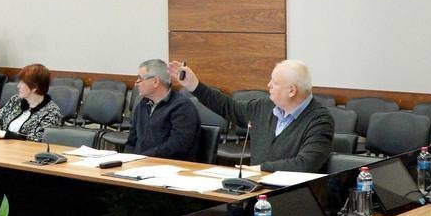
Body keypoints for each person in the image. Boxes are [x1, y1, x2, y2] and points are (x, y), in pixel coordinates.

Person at [171, 59, 333, 172]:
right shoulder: (264, 107)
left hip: (292, 199)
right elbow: (228, 107)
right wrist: (195, 85)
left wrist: (260, 169)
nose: (269, 85)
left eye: (275, 82)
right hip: (255, 193)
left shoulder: (320, 121)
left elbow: (306, 163)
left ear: (291, 90)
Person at [125, 59, 200, 160]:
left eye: (140, 79)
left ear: (155, 82)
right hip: (140, 162)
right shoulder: (142, 105)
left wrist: (143, 158)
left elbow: (177, 147)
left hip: (168, 165)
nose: (136, 83)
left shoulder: (182, 107)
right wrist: (127, 159)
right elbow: (131, 141)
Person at [0, 63, 62, 142]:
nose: (18, 86)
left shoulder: (52, 112)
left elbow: (40, 139)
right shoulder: (16, 100)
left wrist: (6, 135)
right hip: (2, 148)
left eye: (22, 83)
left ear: (35, 87)